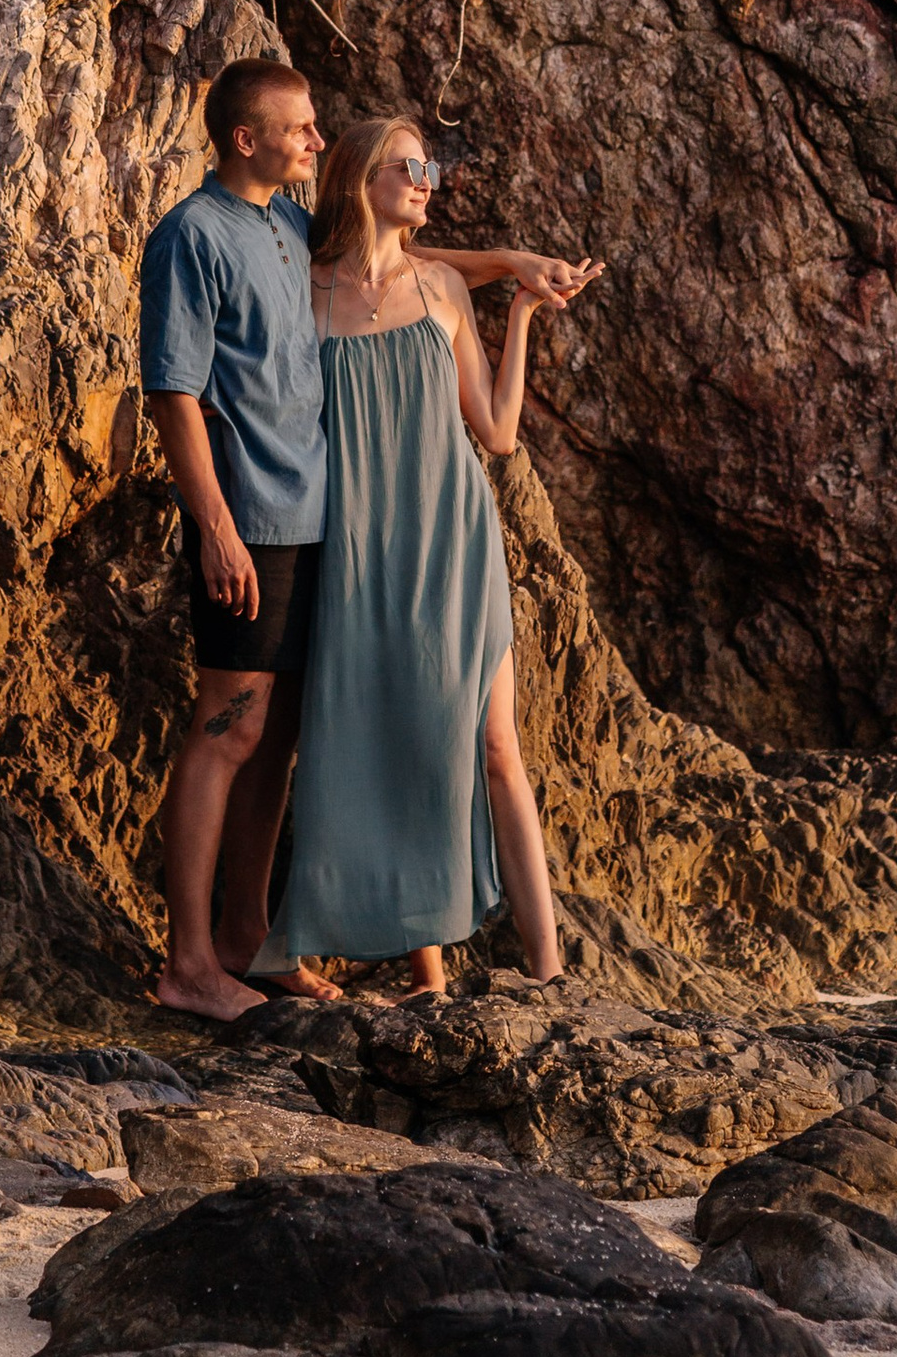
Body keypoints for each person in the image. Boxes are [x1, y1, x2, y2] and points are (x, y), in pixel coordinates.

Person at [138, 59, 590, 1021]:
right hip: (262, 524)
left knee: (280, 734)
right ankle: (195, 964)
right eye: (298, 128)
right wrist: (212, 526)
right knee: (234, 730)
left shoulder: (287, 230)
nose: (313, 136)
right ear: (247, 139)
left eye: (316, 131)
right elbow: (172, 392)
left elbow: (415, 274)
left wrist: (508, 267)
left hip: (335, 530)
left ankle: (248, 942)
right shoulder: (203, 236)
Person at [264, 110, 582, 997]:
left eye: (430, 167)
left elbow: (501, 432)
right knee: (382, 738)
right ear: (363, 176)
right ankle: (427, 974)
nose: (426, 180)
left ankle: (549, 972)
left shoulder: (442, 286)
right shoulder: (308, 290)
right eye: (410, 165)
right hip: (357, 548)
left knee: (491, 745)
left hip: (453, 536)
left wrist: (518, 308)